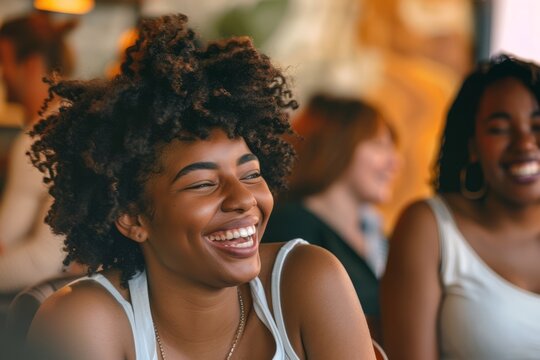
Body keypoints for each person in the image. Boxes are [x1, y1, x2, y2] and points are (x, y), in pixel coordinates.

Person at [26, 14, 376, 360]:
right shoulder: (85, 323)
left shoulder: (307, 282)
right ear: (133, 218)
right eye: (204, 183)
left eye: (251, 174)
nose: (243, 199)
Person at [381, 54, 540, 359]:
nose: (525, 143)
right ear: (472, 146)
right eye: (500, 129)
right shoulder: (430, 228)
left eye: (537, 124)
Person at [263, 94, 401, 340]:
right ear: (337, 144)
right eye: (380, 145)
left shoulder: (379, 236)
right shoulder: (289, 227)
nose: (395, 162)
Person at [0, 12, 77, 293]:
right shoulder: (73, 121)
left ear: (30, 65)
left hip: (49, 307)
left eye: (3, 62)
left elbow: (42, 260)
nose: (1, 74)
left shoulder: (41, 137)